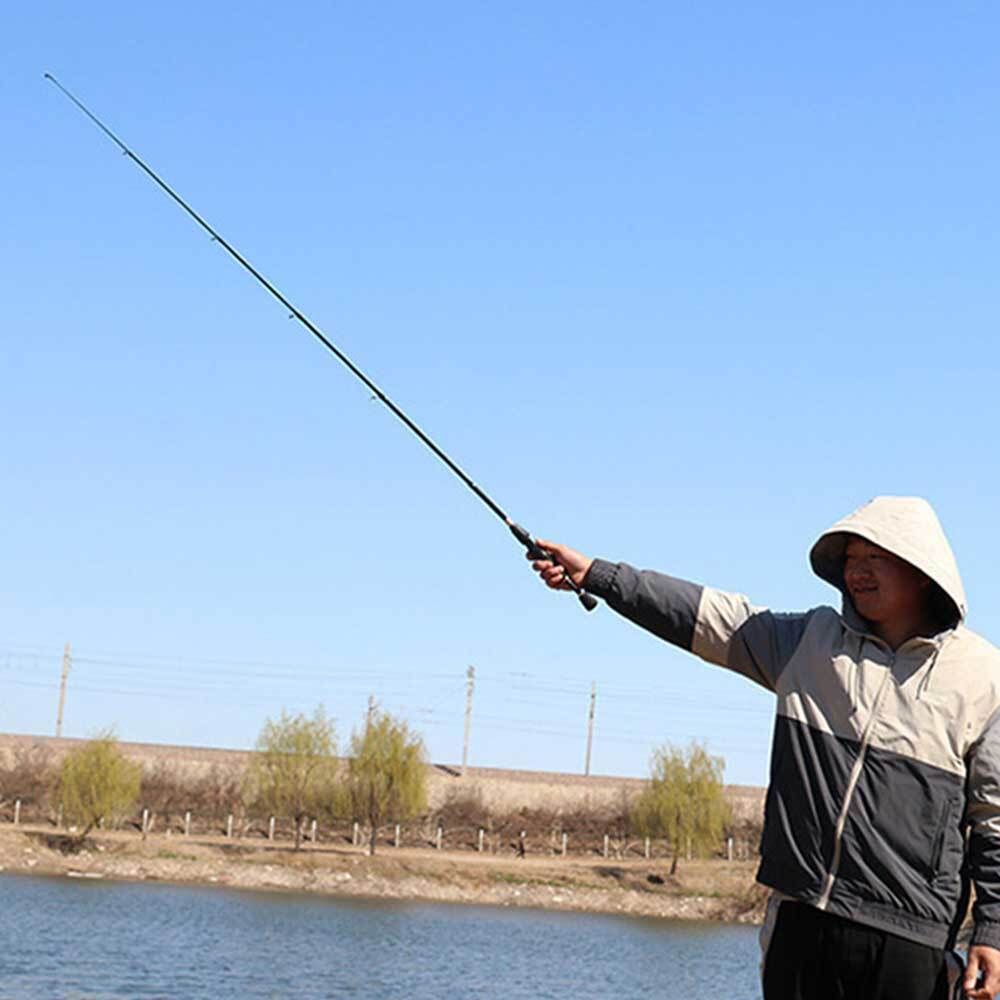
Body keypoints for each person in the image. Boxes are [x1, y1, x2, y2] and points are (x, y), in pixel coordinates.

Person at [529, 496, 1000, 1000]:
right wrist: (600, 576)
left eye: (875, 558)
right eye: (850, 559)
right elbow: (706, 615)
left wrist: (991, 932)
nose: (858, 572)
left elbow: (992, 817)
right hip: (799, 919)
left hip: (911, 938)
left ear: (922, 568)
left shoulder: (982, 677)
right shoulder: (809, 641)